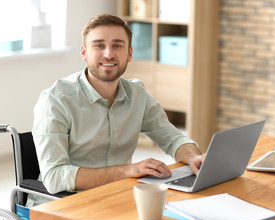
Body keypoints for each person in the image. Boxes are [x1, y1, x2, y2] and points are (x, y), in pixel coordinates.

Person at [28, 13, 204, 206]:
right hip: (57, 206)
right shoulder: (56, 100)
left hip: (113, 198)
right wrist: (128, 170)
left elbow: (172, 138)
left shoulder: (137, 94)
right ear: (84, 52)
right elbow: (54, 177)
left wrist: (193, 156)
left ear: (129, 53)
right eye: (99, 45)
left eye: (117, 45)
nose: (109, 53)